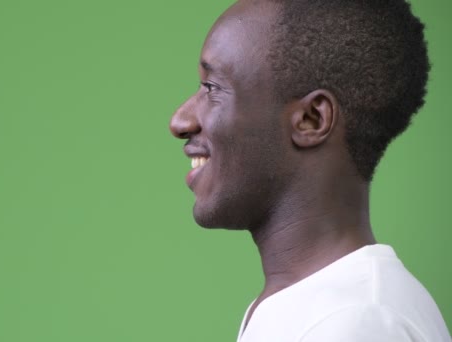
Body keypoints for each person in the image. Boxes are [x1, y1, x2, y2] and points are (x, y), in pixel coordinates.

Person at [169, 0, 451, 341]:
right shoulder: (317, 309)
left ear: (310, 120)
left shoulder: (353, 323)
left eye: (212, 88)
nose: (180, 121)